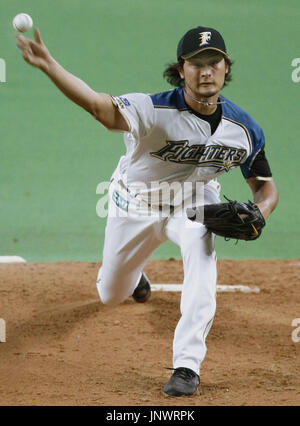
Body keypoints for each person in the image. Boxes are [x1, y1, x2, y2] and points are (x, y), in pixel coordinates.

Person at [17, 26, 278, 397]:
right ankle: (134, 275)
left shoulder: (244, 130)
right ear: (181, 69)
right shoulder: (152, 110)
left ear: (225, 66)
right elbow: (99, 108)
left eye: (213, 62)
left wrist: (263, 211)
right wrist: (49, 65)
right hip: (134, 206)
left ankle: (187, 364)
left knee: (202, 250)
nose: (206, 71)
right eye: (196, 64)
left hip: (193, 204)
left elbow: (265, 187)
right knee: (111, 294)